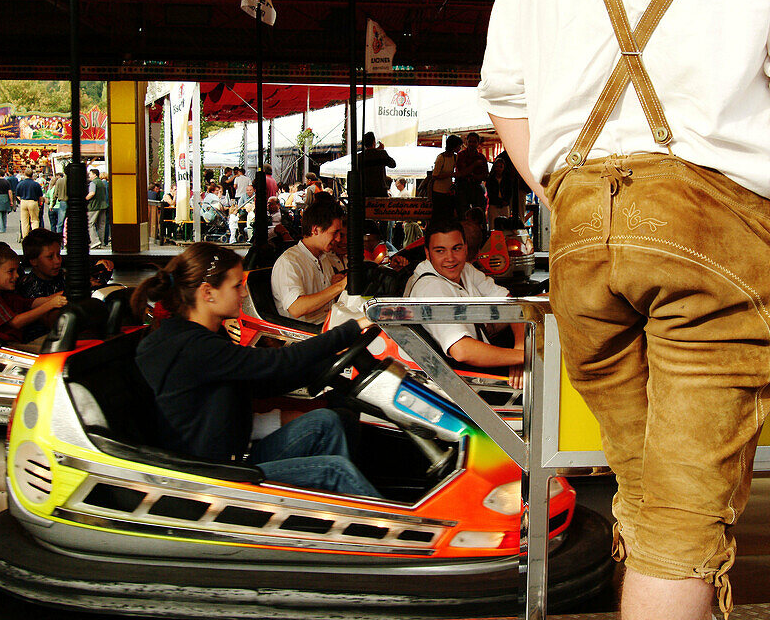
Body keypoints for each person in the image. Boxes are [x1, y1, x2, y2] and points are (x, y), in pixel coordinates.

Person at [478, 0, 770, 617]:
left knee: (649, 496)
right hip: (714, 230)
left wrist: (566, 200)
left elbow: (505, 97)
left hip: (584, 235)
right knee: (681, 524)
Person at [131, 242, 380, 497]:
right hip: (209, 479)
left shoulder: (205, 336)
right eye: (237, 285)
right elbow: (277, 363)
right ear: (208, 293)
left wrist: (328, 365)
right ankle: (383, 526)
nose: (243, 293)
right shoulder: (191, 346)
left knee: (328, 422)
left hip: (229, 460)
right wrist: (349, 330)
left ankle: (333, 510)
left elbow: (261, 383)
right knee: (333, 471)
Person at [404, 218, 525, 387]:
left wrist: (520, 346)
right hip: (466, 381)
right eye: (440, 251)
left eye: (456, 249)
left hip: (485, 358)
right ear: (427, 253)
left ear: (465, 248)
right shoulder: (431, 287)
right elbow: (462, 350)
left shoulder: (465, 269)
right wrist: (523, 357)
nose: (450, 258)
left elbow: (511, 303)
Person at [0, 242, 66, 345]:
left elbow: (32, 303)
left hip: (13, 342)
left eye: (17, 271)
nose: (17, 275)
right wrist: (51, 304)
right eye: (11, 271)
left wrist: (63, 294)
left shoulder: (6, 293)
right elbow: (15, 322)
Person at [271, 198, 346, 326]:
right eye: (334, 233)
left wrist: (334, 285)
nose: (338, 239)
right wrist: (339, 287)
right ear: (315, 230)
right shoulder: (289, 262)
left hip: (328, 325)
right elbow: (296, 308)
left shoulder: (324, 258)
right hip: (304, 335)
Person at [454, 131, 488, 218]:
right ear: (466, 142)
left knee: (479, 213)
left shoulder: (481, 157)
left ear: (478, 143)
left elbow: (485, 175)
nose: (472, 144)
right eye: (470, 141)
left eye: (474, 142)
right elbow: (461, 173)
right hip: (462, 187)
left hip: (476, 187)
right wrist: (475, 165)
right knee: (462, 213)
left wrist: (474, 175)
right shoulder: (461, 155)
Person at [357, 132, 397, 198]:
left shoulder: (359, 157)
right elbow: (393, 164)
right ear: (374, 142)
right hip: (380, 191)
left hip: (365, 193)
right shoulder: (382, 154)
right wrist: (380, 150)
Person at [430, 135, 460, 220]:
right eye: (459, 146)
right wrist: (450, 174)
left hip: (448, 190)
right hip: (438, 191)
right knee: (439, 214)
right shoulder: (441, 158)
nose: (460, 148)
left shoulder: (455, 157)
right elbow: (435, 175)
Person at [15, 169, 44, 238]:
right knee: (34, 220)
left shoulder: (21, 183)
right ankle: (35, 236)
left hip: (24, 202)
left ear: (25, 174)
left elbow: (17, 195)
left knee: (24, 221)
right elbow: (40, 196)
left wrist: (21, 200)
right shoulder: (36, 184)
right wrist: (40, 203)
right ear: (32, 175)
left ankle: (25, 237)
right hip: (33, 202)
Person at [85, 168, 108, 249]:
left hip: (94, 206)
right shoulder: (102, 183)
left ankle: (95, 241)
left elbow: (92, 193)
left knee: (89, 223)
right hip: (103, 206)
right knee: (101, 225)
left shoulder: (93, 183)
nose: (89, 176)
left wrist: (85, 199)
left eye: (90, 174)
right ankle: (101, 242)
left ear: (95, 174)